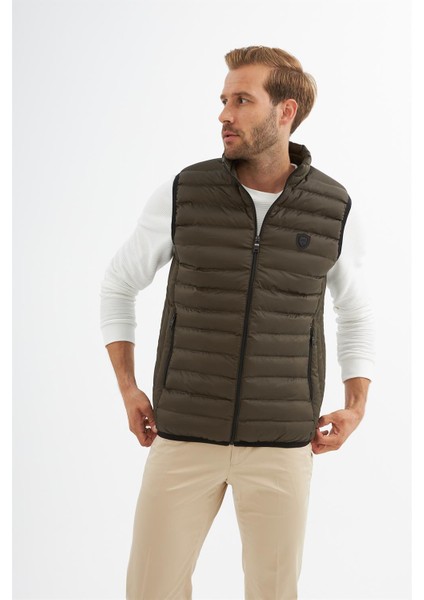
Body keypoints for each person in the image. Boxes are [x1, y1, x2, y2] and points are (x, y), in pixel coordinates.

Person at [100, 46, 375, 600]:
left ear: (285, 111)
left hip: (281, 444)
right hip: (183, 434)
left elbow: (356, 310)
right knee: (150, 590)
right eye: (224, 100)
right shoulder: (185, 192)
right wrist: (128, 387)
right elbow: (119, 284)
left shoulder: (332, 207)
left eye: (242, 100)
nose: (224, 114)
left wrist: (356, 404)